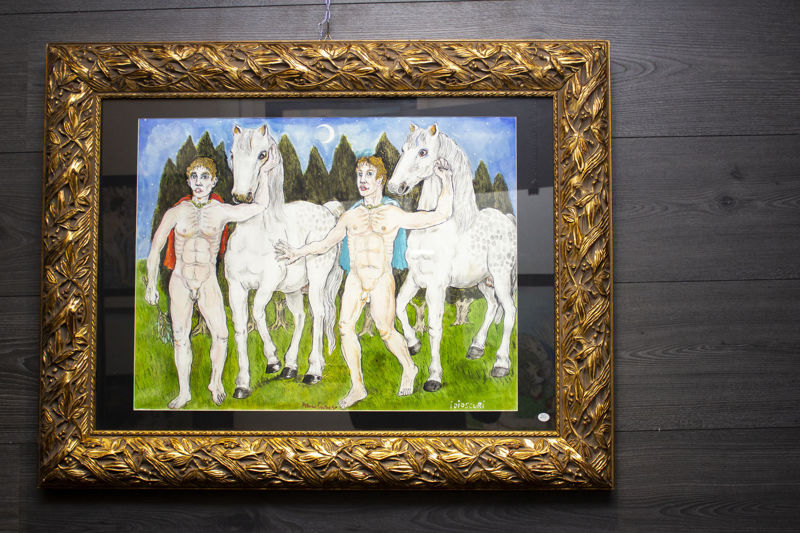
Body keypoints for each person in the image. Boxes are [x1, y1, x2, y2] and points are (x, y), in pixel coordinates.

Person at [275, 155, 454, 408]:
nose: (363, 180)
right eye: (359, 175)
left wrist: (447, 180)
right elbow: (325, 243)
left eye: (369, 175)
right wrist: (297, 252)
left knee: (386, 331)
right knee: (345, 327)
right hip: (355, 279)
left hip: (381, 279)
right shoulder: (350, 216)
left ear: (380, 180)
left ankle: (409, 368)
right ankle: (357, 387)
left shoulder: (392, 213)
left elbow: (440, 214)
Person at [145, 157, 264, 409]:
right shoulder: (177, 212)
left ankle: (215, 382)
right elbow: (156, 247)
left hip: (207, 280)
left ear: (214, 181)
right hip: (181, 280)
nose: (199, 182)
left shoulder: (221, 211)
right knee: (180, 337)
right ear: (188, 181)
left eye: (204, 177)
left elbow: (256, 208)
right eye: (194, 177)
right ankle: (184, 392)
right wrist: (151, 285)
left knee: (221, 335)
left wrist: (261, 176)